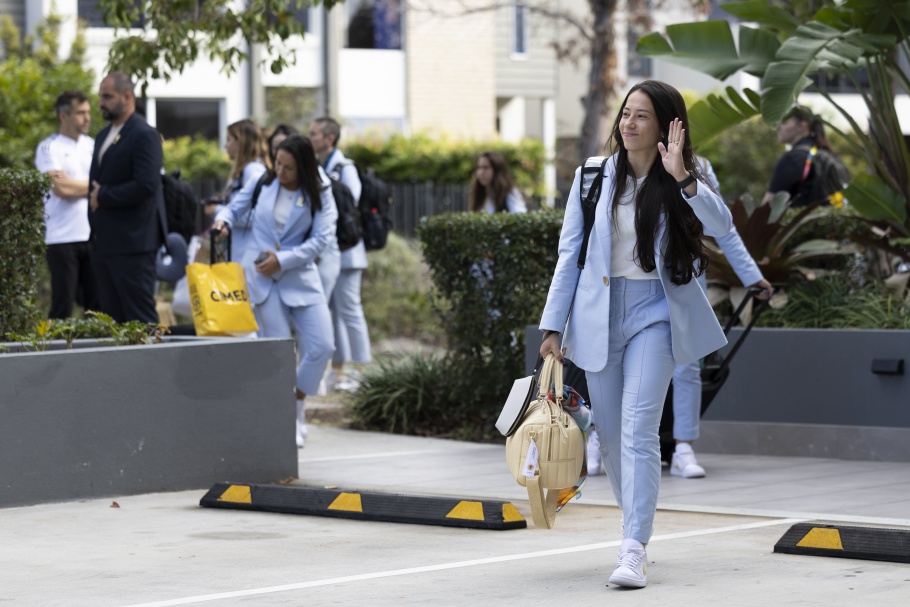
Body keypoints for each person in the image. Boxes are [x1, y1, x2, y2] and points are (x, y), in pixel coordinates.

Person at [539, 80, 733, 589]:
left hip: (657, 313)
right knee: (611, 431)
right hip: (598, 316)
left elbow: (722, 224)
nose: (628, 123)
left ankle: (632, 548)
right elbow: (569, 255)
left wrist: (683, 178)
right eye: (626, 114)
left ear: (668, 125)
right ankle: (635, 527)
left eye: (642, 116)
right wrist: (552, 324)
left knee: (640, 427)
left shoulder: (685, 177)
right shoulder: (592, 177)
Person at [212, 135, 337, 449]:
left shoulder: (319, 191)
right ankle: (287, 418)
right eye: (278, 163)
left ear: (304, 168)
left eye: (289, 168)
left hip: (300, 277)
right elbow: (233, 208)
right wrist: (222, 222)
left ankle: (297, 401)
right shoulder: (263, 182)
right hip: (262, 279)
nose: (280, 171)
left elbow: (321, 240)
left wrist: (282, 259)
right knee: (280, 355)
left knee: (323, 345)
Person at [668, 157, 772, 478]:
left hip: (682, 277)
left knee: (686, 364)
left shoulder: (697, 166)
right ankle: (599, 438)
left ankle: (683, 447)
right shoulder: (621, 166)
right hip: (631, 283)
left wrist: (751, 276)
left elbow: (722, 227)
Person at [88, 72, 165, 324]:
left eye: (107, 96)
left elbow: (146, 185)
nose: (101, 102)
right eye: (100, 96)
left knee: (141, 322)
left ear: (127, 96)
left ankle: (154, 366)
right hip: (104, 245)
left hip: (133, 246)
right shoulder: (102, 136)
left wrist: (104, 196)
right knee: (113, 324)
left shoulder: (144, 134)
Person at [309, 116, 372, 392]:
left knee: (350, 308)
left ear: (329, 138)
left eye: (314, 134)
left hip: (348, 252)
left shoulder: (344, 168)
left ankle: (363, 369)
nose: (310, 138)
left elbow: (349, 206)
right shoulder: (323, 166)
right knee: (334, 313)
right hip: (331, 251)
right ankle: (339, 369)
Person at [35, 90, 100, 319]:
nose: (87, 118)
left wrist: (78, 186)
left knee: (96, 307)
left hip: (92, 235)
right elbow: (60, 189)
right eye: (80, 113)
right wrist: (94, 188)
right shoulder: (48, 147)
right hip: (61, 238)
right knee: (62, 306)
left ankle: (96, 353)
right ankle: (51, 354)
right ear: (64, 116)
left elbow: (106, 183)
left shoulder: (93, 145)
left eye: (88, 112)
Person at [218, 119, 271, 263]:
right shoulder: (245, 169)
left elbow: (258, 215)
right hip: (240, 251)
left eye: (229, 140)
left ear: (241, 142)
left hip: (247, 253)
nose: (225, 145)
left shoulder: (252, 170)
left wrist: (220, 213)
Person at [762, 105, 830, 207]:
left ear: (802, 126)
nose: (778, 127)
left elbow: (768, 205)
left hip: (800, 222)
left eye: (784, 122)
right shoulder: (823, 152)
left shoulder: (792, 158)